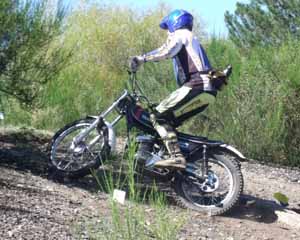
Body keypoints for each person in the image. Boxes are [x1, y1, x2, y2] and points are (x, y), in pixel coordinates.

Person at [131, 9, 217, 169]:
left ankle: (176, 157)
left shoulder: (181, 34)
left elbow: (165, 51)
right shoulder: (192, 38)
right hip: (207, 91)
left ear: (174, 23)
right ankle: (175, 160)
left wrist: (141, 58)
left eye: (168, 29)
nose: (167, 33)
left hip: (196, 85)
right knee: (168, 120)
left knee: (156, 116)